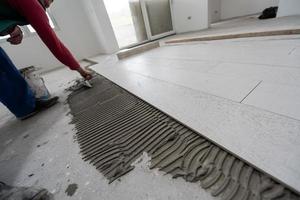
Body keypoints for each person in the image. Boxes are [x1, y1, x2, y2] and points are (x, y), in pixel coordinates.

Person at [0, 0, 92, 120]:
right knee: (3, 72)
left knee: (5, 68)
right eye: (50, 0)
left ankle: (24, 107)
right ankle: (25, 108)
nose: (49, 5)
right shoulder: (32, 3)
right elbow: (55, 44)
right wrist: (81, 70)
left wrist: (11, 28)